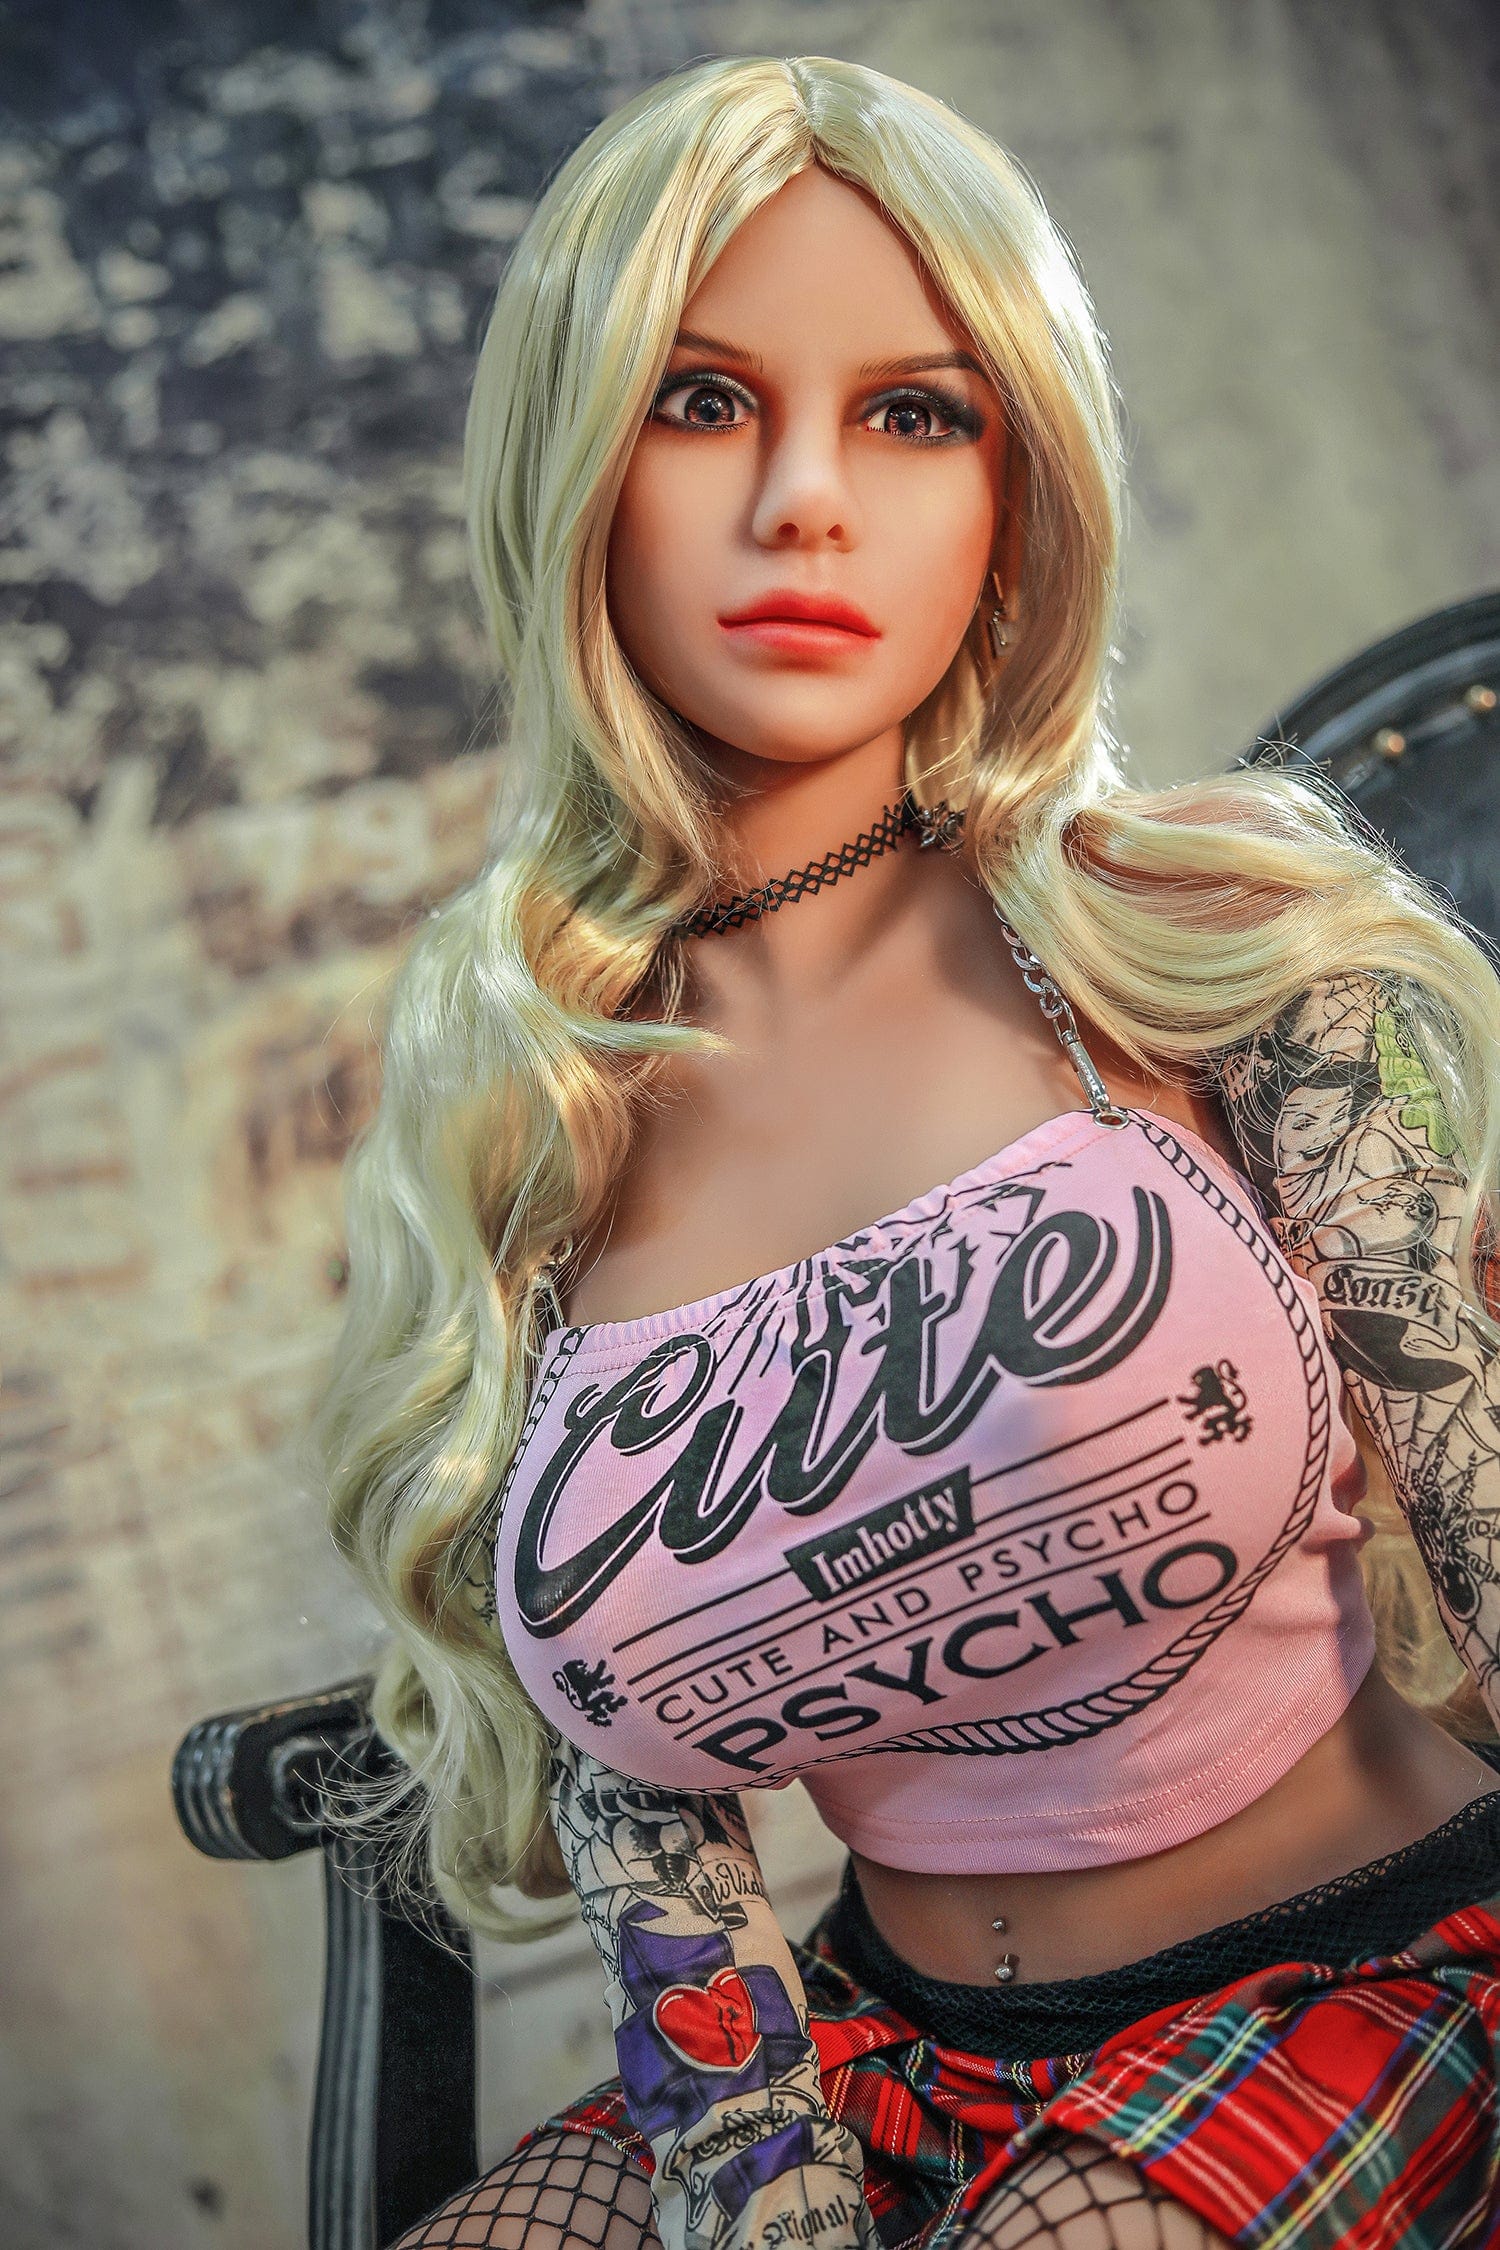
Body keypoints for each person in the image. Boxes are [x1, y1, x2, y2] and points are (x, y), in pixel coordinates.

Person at [307, 53, 1500, 2250]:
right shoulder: (532, 1098)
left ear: (1016, 486)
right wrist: (772, 2202)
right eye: (700, 401)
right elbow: (644, 1802)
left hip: (1352, 1987)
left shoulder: (1212, 936)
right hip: (869, 2049)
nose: (806, 504)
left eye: (914, 415)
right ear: (572, 466)